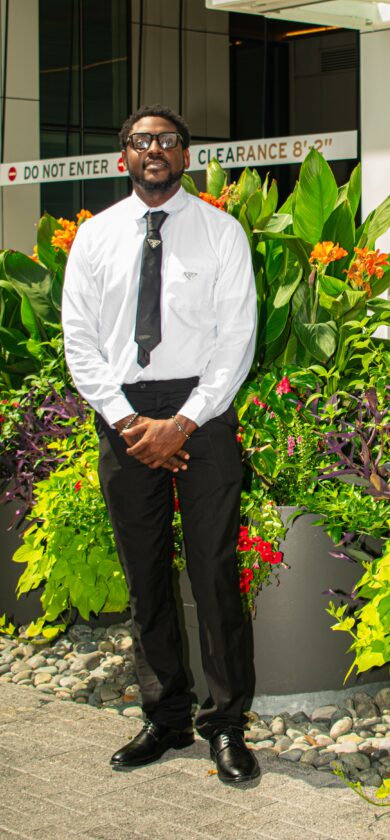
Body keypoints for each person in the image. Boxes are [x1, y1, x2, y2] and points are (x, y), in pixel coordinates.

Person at [61, 104, 259, 785]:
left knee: (213, 571)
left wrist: (184, 422)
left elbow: (237, 339)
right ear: (124, 156)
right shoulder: (95, 238)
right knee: (144, 575)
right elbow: (80, 342)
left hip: (204, 413)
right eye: (142, 141)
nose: (155, 150)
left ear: (185, 155)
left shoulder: (221, 233)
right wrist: (129, 423)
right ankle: (166, 716)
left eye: (167, 141)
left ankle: (226, 724)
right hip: (124, 413)